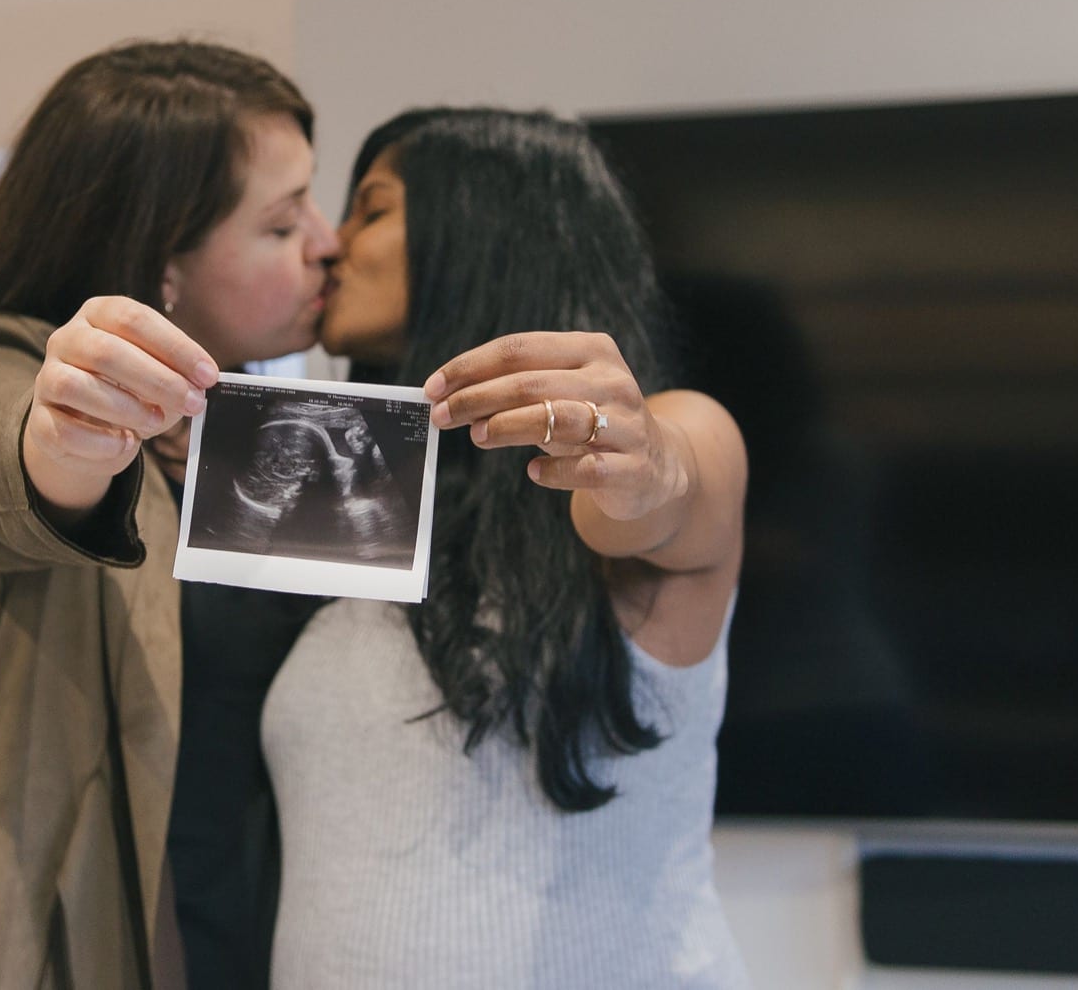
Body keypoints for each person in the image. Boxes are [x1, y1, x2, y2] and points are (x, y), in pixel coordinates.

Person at [0, 39, 338, 990]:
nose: (327, 241)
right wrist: (60, 440)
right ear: (163, 261)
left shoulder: (255, 429)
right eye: (283, 225)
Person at [262, 108, 752, 988]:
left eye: (372, 209)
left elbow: (670, 490)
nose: (331, 244)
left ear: (483, 226)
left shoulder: (678, 428)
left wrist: (644, 466)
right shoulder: (364, 502)